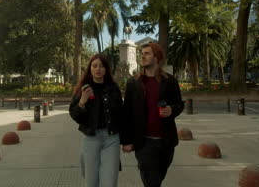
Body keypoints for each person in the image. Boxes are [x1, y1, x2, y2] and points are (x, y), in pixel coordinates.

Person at [121, 43, 184, 187]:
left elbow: (179, 104)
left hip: (166, 142)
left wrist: (171, 110)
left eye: (147, 53)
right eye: (141, 53)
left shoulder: (170, 81)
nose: (142, 56)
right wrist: (126, 140)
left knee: (157, 179)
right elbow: (127, 114)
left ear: (157, 58)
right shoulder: (134, 83)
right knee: (152, 181)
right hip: (144, 143)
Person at [69, 54, 123, 187]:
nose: (98, 69)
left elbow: (121, 115)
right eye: (94, 66)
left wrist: (127, 140)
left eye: (101, 66)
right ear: (90, 69)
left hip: (112, 139)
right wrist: (82, 102)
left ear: (106, 70)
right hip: (91, 139)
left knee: (109, 182)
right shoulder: (84, 89)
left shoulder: (113, 88)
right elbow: (74, 115)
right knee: (91, 182)